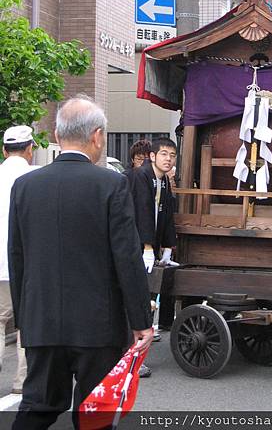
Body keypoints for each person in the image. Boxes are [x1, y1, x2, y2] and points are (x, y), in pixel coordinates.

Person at [8, 96, 153, 429]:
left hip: (41, 319)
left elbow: (17, 257)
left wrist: (24, 317)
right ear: (97, 136)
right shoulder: (111, 184)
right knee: (94, 413)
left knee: (37, 406)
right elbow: (127, 257)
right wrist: (140, 320)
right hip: (97, 326)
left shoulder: (25, 186)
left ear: (58, 137)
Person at [125, 137, 178, 376]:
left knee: (148, 302)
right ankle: (131, 359)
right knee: (137, 302)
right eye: (164, 154)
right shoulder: (140, 176)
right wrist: (146, 247)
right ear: (152, 156)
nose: (168, 159)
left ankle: (136, 358)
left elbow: (166, 214)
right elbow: (141, 211)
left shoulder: (163, 180)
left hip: (149, 248)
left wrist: (168, 246)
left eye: (172, 155)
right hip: (134, 247)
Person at [0, 126, 39, 394]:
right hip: (27, 264)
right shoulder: (36, 179)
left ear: (4, 150)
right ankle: (22, 381)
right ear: (30, 149)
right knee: (28, 321)